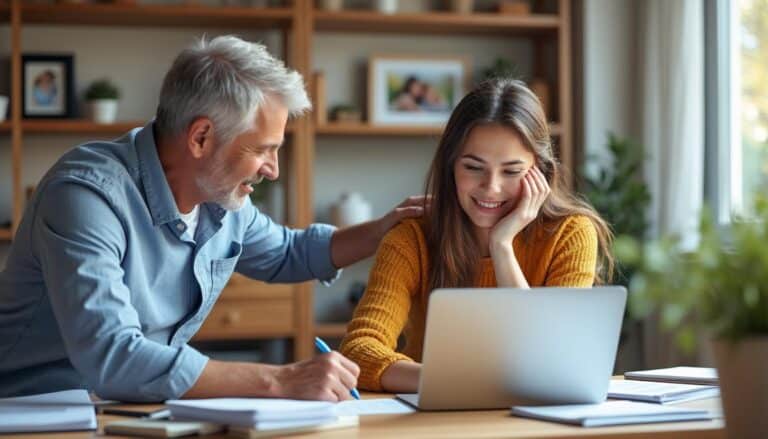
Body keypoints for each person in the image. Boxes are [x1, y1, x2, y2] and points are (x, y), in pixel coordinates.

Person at [0, 36, 426, 402]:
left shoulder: (217, 197)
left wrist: (382, 229)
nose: (273, 170)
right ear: (201, 137)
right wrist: (281, 380)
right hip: (33, 413)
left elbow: (289, 252)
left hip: (129, 410)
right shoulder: (85, 197)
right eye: (263, 150)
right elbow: (113, 356)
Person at [339, 78, 614, 393]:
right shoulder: (411, 238)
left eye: (511, 171)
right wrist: (459, 384)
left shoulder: (570, 234)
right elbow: (358, 350)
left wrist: (502, 246)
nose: (491, 188)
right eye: (473, 167)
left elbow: (553, 360)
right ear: (451, 165)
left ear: (539, 170)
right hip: (434, 408)